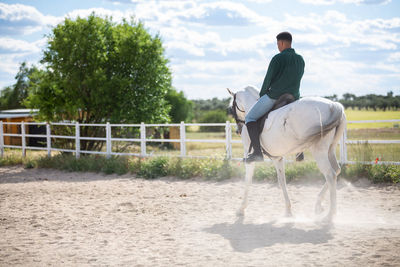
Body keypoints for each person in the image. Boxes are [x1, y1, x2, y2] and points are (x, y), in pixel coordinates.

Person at [245, 32, 305, 163]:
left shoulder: (277, 58)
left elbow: (268, 79)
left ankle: (257, 153)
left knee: (249, 118)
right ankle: (300, 151)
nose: (278, 47)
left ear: (282, 43)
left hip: (276, 96)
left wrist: (262, 95)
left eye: (278, 44)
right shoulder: (300, 59)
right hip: (294, 97)